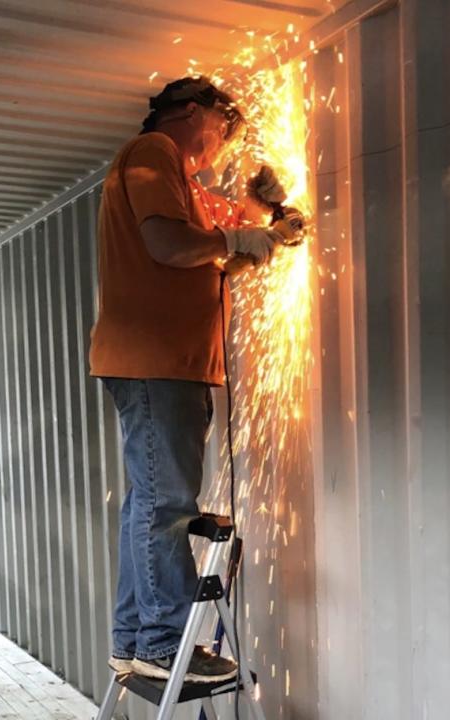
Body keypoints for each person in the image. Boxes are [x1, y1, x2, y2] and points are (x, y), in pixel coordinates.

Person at [88, 76, 294, 681]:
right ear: (193, 112)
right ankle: (160, 645)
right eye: (224, 128)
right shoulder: (155, 153)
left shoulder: (185, 185)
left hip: (158, 363)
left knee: (147, 506)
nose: (226, 144)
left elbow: (216, 250)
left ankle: (133, 642)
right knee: (166, 507)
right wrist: (244, 235)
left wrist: (263, 221)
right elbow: (168, 244)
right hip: (158, 362)